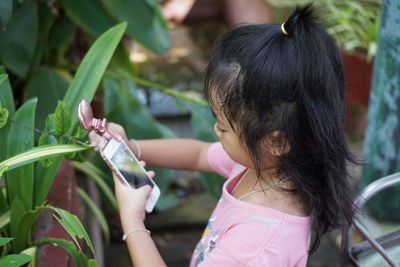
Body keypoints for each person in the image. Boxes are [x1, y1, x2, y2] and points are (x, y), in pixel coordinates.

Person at [90, 4, 356, 266]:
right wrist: (130, 148)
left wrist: (133, 222)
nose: (215, 130)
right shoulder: (265, 166)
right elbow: (198, 154)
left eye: (224, 126)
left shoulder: (258, 245)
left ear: (277, 141)